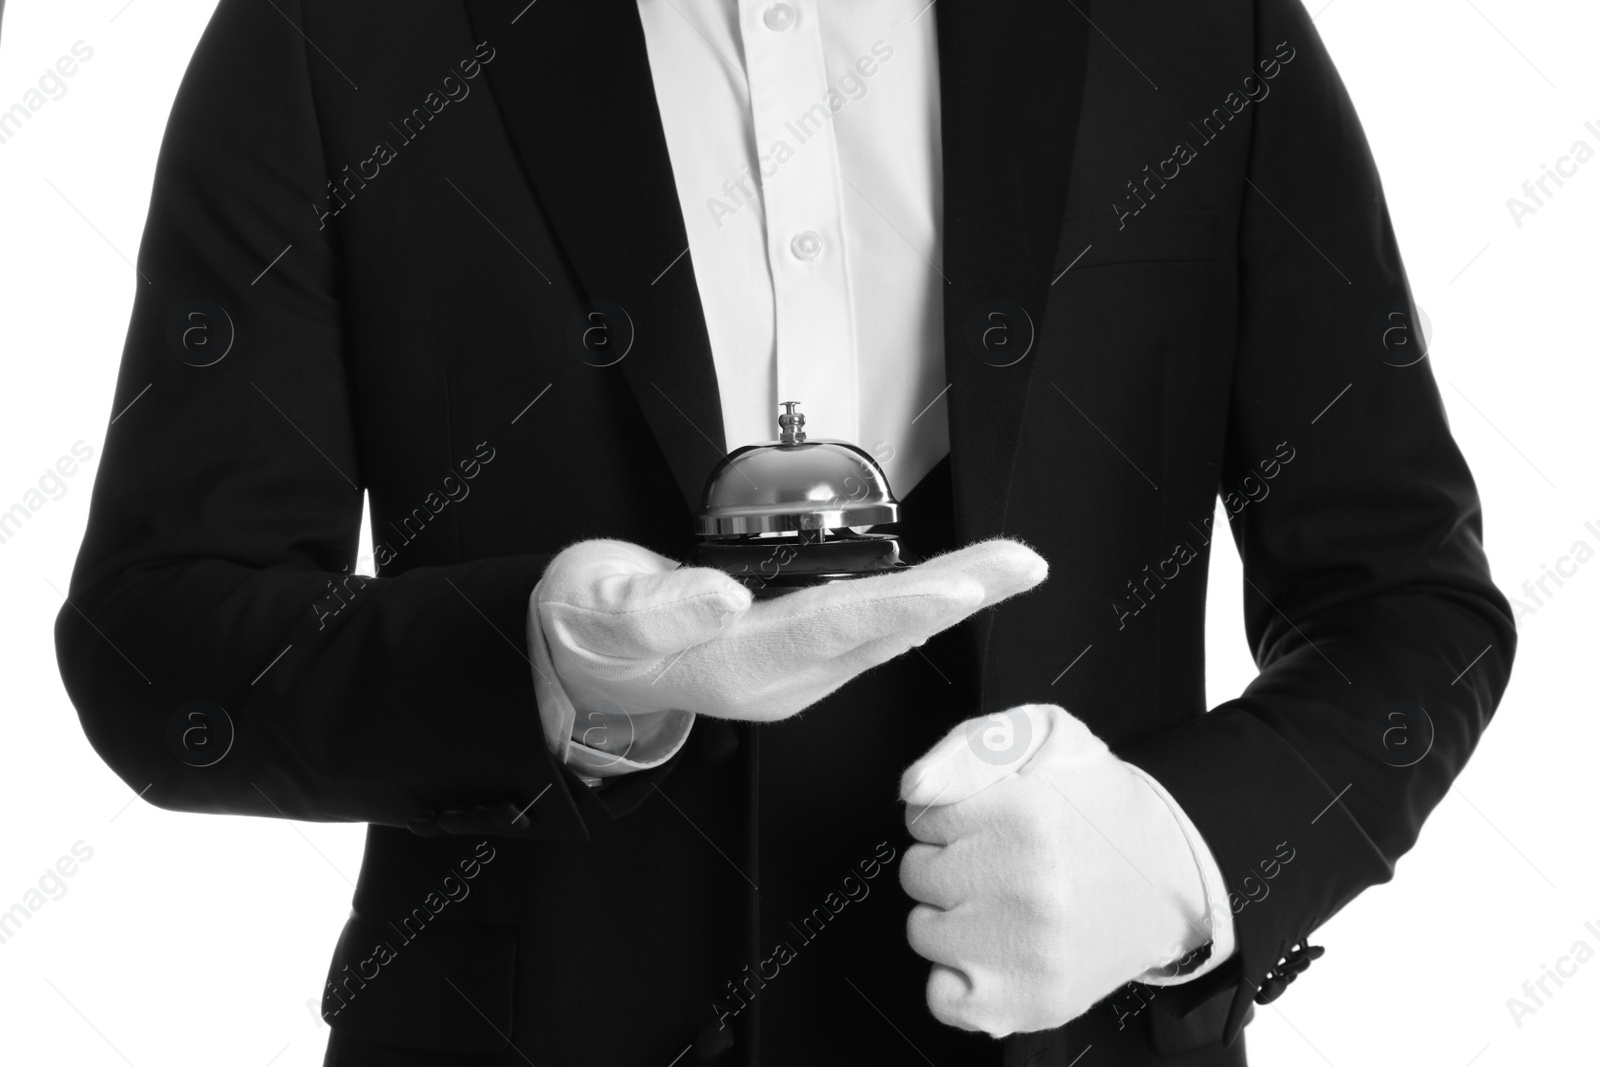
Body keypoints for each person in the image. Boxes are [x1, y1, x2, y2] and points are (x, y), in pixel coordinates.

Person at [54, 0, 1515, 1064]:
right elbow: (159, 631)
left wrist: (1187, 849)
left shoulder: (1198, 23)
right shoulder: (333, 30)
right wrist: (547, 664)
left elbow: (1407, 606)